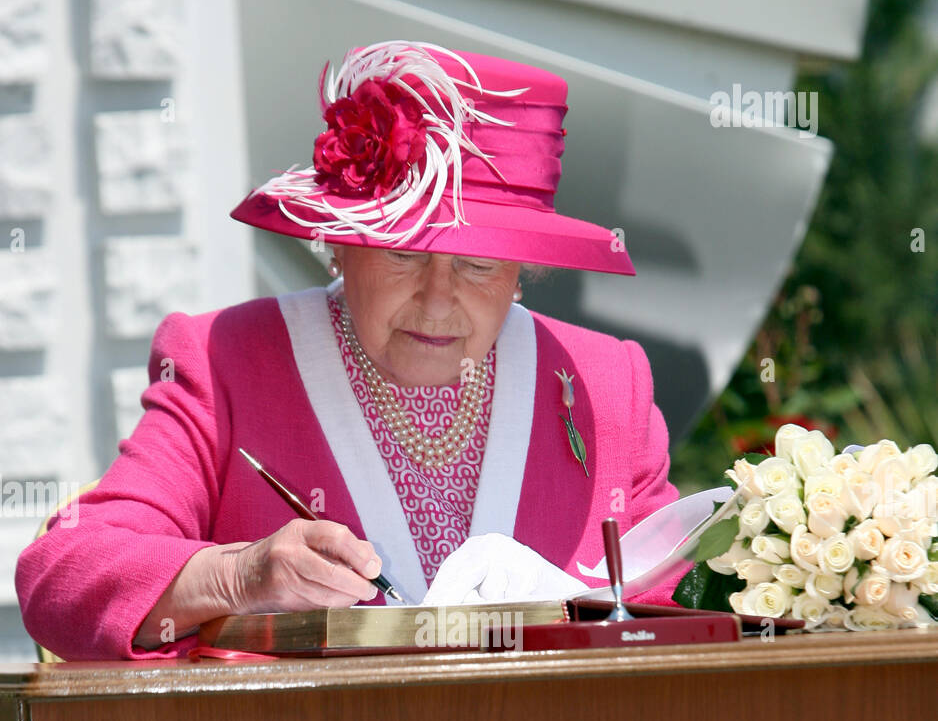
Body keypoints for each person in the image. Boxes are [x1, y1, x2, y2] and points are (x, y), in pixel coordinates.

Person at [16, 40, 687, 662]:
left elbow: (689, 611)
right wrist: (240, 576)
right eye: (402, 254)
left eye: (478, 266)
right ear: (340, 242)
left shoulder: (603, 383)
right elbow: (62, 574)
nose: (436, 298)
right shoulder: (227, 361)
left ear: (523, 267)